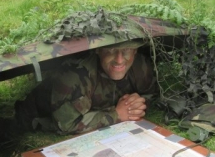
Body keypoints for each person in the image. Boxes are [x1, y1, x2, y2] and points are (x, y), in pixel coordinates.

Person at [14, 41, 157, 135]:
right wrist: (116, 115)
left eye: (126, 50)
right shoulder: (76, 75)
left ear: (135, 51)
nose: (119, 60)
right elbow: (66, 124)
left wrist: (139, 104)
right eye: (111, 50)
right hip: (35, 115)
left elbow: (152, 94)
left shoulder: (140, 66)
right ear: (98, 50)